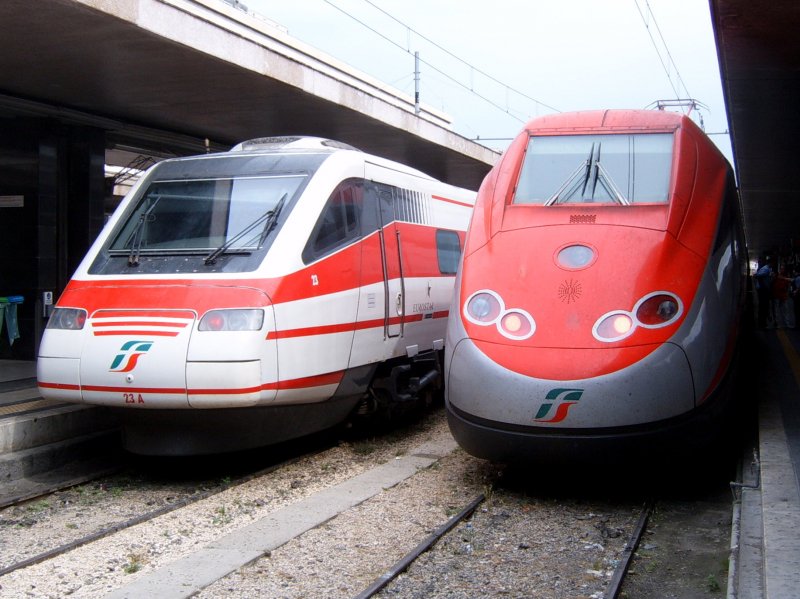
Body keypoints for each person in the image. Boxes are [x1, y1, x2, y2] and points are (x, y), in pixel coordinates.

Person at [755, 260, 774, 327]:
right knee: (764, 306)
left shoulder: (766, 268)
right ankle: (762, 323)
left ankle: (762, 322)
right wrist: (764, 285)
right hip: (763, 290)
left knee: (763, 306)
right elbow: (757, 275)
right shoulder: (766, 269)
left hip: (762, 289)